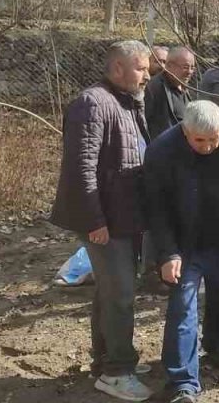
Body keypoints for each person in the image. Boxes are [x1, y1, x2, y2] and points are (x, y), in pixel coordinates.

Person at [49, 40, 152, 402]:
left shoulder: (125, 102)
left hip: (125, 217)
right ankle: (117, 372)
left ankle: (106, 361)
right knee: (121, 294)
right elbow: (82, 169)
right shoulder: (93, 103)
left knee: (111, 293)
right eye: (141, 68)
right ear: (119, 68)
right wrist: (95, 221)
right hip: (104, 221)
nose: (147, 74)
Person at [143, 101, 219, 403]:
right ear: (185, 131)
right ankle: (183, 381)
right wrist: (168, 253)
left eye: (215, 138)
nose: (209, 146)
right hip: (185, 245)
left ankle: (216, 343)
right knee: (183, 308)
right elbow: (155, 209)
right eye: (200, 140)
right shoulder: (161, 151)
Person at [145, 46, 198, 140]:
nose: (189, 72)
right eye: (185, 67)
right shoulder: (154, 88)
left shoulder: (187, 90)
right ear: (169, 66)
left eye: (192, 67)